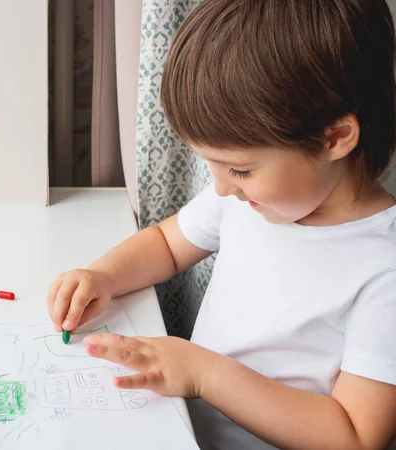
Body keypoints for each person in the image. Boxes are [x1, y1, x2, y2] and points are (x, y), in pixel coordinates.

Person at [47, 0, 396, 448]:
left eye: (241, 169)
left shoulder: (383, 269)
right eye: (209, 164)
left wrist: (204, 373)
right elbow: (167, 244)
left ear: (335, 137)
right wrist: (104, 276)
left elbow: (356, 435)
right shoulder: (245, 199)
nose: (222, 187)